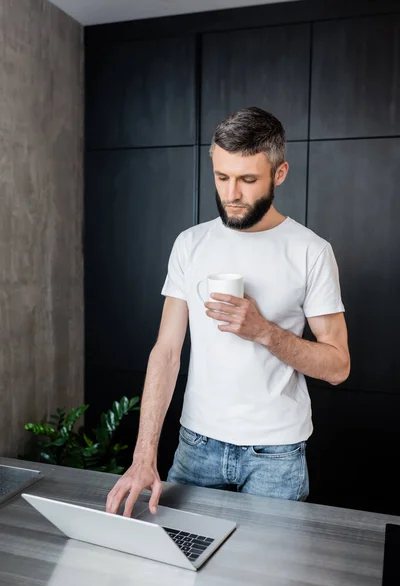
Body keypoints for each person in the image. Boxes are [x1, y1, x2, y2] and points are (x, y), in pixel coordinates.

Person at [106, 106, 350, 517]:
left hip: (277, 454)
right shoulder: (190, 244)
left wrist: (263, 331)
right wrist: (143, 456)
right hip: (197, 445)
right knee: (180, 566)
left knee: (268, 578)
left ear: (280, 173)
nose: (232, 193)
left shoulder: (311, 251)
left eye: (247, 179)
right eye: (222, 177)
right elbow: (166, 353)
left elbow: (338, 365)